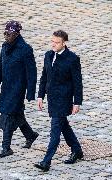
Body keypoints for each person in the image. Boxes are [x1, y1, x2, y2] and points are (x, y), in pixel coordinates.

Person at [34, 30, 83, 171]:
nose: (53, 45)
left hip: (64, 100)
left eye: (57, 42)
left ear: (64, 43)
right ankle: (77, 150)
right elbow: (44, 77)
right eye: (52, 42)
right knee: (64, 126)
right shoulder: (48, 55)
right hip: (52, 99)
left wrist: (77, 102)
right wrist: (40, 96)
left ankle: (46, 161)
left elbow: (77, 83)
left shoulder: (72, 59)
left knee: (55, 130)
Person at [0, 20, 39, 158]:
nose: (6, 36)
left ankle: (6, 148)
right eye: (4, 33)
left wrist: (30, 93)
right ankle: (31, 135)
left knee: (8, 115)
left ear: (17, 34)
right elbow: (0, 68)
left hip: (17, 89)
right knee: (16, 115)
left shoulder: (25, 50)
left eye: (9, 33)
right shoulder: (4, 47)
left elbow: (32, 73)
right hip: (6, 89)